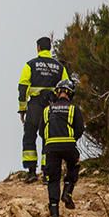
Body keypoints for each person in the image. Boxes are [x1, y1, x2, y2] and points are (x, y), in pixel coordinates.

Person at [18, 36, 68, 183]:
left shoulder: (30, 65)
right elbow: (66, 87)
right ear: (50, 48)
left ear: (38, 48)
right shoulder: (60, 67)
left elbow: (22, 88)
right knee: (49, 139)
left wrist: (22, 109)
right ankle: (47, 173)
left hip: (34, 106)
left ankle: (31, 172)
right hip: (53, 107)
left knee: (29, 137)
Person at [39, 78, 84, 217]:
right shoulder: (73, 109)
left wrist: (51, 140)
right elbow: (79, 129)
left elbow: (41, 132)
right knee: (74, 166)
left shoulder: (47, 110)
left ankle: (54, 215)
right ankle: (67, 192)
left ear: (57, 93)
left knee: (52, 180)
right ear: (71, 94)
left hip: (51, 147)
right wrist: (71, 139)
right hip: (69, 145)